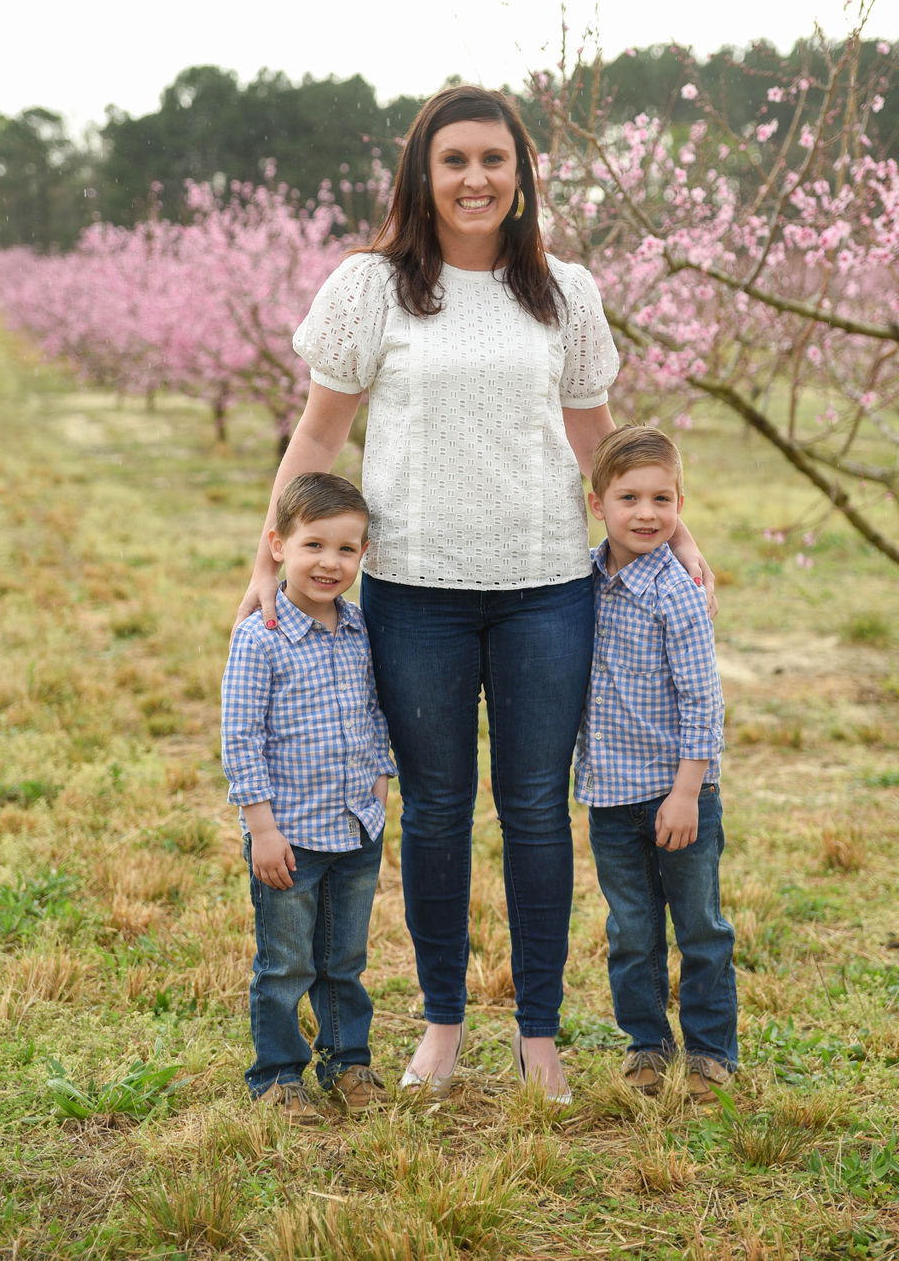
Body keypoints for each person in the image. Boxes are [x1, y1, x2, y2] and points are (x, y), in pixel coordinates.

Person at [236, 85, 715, 1103]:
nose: (474, 178)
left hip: (546, 585)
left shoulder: (564, 292)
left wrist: (677, 532)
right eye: (453, 160)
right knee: (438, 811)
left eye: (493, 159)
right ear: (422, 173)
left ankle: (539, 1032)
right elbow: (320, 436)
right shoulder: (372, 288)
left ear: (521, 175)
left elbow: (598, 438)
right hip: (416, 590)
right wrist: (264, 556)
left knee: (537, 811)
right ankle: (443, 1026)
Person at [222, 472, 396, 1119]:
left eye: (347, 550)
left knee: (344, 960)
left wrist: (380, 777)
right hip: (289, 836)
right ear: (277, 546)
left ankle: (349, 1063)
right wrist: (260, 826)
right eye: (314, 545)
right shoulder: (260, 638)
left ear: (364, 555)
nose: (330, 562)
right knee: (286, 965)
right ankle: (277, 1075)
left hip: (355, 828)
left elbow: (377, 711)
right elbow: (241, 739)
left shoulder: (359, 630)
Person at [575, 426, 737, 1106]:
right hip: (611, 798)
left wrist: (686, 793)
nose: (646, 513)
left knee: (699, 925)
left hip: (679, 795)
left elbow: (705, 700)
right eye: (629, 498)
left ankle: (708, 1050)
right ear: (597, 503)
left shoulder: (678, 593)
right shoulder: (582, 580)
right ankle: (646, 1042)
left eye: (662, 499)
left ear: (681, 504)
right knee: (631, 930)